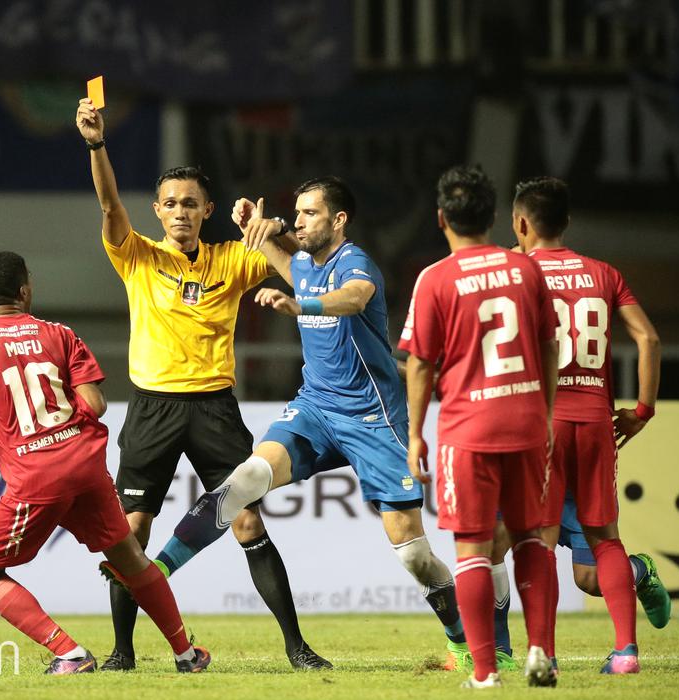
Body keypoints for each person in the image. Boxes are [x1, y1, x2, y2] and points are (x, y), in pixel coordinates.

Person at [149, 176, 475, 672]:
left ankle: (460, 641)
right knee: (246, 479)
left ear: (338, 220)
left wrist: (302, 305)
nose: (298, 222)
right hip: (316, 409)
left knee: (413, 555)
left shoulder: (355, 263)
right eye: (295, 214)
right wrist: (250, 229)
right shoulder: (300, 263)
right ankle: (155, 572)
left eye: (309, 214)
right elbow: (277, 254)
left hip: (373, 417)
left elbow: (356, 298)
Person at [74, 99, 328, 671]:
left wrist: (267, 233)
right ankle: (122, 653)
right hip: (153, 409)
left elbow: (298, 270)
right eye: (170, 204)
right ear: (158, 212)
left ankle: (297, 648)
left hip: (214, 410)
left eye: (190, 204)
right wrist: (96, 145)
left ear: (207, 209)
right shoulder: (136, 256)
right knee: (130, 531)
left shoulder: (231, 260)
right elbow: (109, 203)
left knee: (247, 521)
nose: (180, 212)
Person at [0, 251, 211, 675]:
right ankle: (186, 654)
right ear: (24, 290)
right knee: (131, 559)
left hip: (36, 476)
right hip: (85, 465)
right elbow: (95, 406)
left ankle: (70, 653)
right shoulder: (59, 334)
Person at [401, 165, 560, 689]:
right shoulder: (526, 270)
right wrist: (546, 411)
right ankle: (540, 651)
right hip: (527, 421)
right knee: (529, 538)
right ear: (494, 216)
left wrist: (418, 432)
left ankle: (486, 673)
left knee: (471, 548)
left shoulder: (436, 278)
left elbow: (421, 363)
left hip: (469, 428)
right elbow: (548, 346)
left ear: (441, 218)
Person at [511, 176, 669, 673]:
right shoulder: (604, 274)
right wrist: (642, 410)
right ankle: (626, 653)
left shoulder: (517, 272)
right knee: (603, 544)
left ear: (521, 223)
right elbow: (649, 339)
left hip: (543, 425)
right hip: (598, 421)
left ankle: (547, 657)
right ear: (566, 222)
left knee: (539, 541)